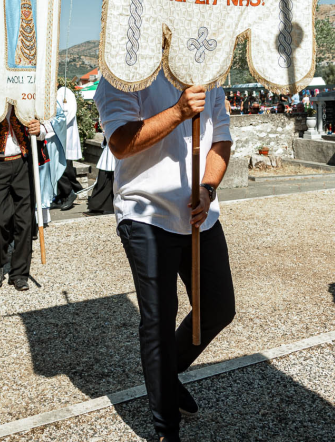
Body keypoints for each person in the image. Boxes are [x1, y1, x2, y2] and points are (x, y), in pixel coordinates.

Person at [95, 71, 235, 442]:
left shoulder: (210, 75)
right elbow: (121, 143)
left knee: (219, 308)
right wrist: (178, 111)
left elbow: (221, 139)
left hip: (199, 214)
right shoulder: (124, 77)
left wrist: (208, 187)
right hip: (145, 213)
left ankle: (165, 377)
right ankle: (164, 430)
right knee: (158, 318)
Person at [0, 104, 49, 291]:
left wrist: (40, 130)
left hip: (23, 162)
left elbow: (47, 124)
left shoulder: (26, 96)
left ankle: (20, 273)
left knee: (25, 222)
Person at [52, 86, 83, 211]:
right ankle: (61, 196)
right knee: (57, 166)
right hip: (57, 135)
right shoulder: (55, 94)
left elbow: (68, 113)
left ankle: (69, 193)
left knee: (63, 166)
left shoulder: (64, 92)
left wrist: (55, 125)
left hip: (65, 135)